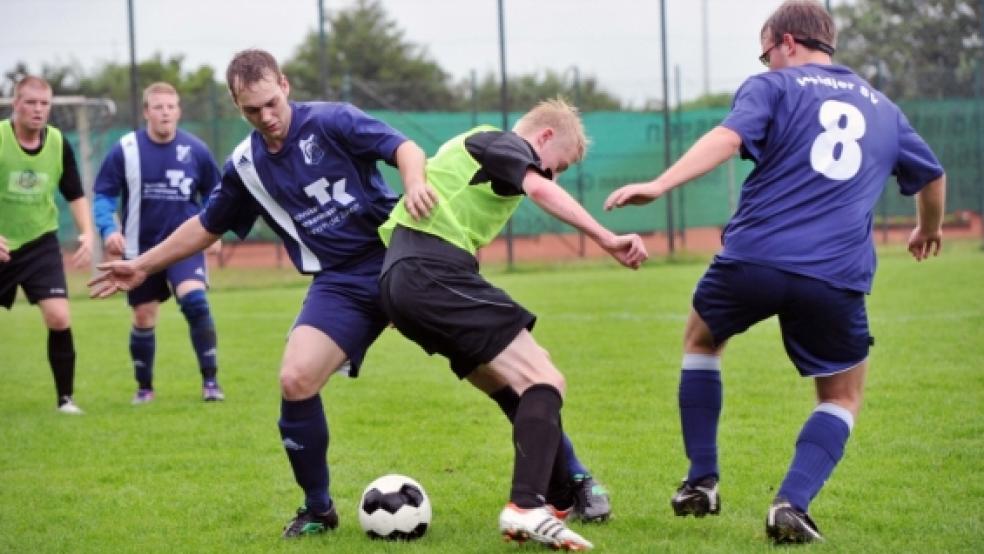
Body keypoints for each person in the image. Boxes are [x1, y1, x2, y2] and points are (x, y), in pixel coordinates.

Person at [88, 50, 609, 539]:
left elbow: (402, 147)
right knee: (296, 378)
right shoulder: (245, 166)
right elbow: (206, 224)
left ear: (285, 86)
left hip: (398, 257)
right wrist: (142, 263)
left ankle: (575, 479)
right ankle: (318, 507)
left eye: (273, 102)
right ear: (236, 105)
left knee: (501, 376)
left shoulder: (331, 120)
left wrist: (413, 183)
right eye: (253, 109)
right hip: (339, 283)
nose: (267, 116)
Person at [604, 0, 946, 544]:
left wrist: (661, 184)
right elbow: (931, 175)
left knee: (701, 339)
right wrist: (928, 229)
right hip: (835, 274)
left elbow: (728, 138)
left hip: (753, 259)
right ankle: (792, 503)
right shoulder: (884, 107)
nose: (765, 64)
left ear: (787, 42)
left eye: (765, 53)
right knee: (840, 396)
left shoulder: (773, 87)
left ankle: (701, 481)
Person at [377, 98, 648, 551]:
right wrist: (607, 238)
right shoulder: (501, 142)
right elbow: (541, 191)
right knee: (545, 377)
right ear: (542, 137)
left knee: (511, 386)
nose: (551, 176)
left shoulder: (472, 159)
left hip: (407, 279)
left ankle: (561, 496)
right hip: (429, 273)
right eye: (553, 164)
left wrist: (402, 302)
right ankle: (526, 506)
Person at [92, 82, 224, 404]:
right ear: (146, 112)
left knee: (195, 302)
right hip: (140, 249)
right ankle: (145, 388)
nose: (165, 112)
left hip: (184, 246)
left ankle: (211, 383)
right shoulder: (125, 149)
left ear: (178, 110)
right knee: (144, 317)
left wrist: (216, 229)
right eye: (158, 107)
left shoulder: (196, 150)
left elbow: (217, 194)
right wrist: (109, 229)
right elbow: (104, 195)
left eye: (171, 106)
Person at [0, 76, 94, 414]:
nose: (38, 110)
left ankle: (65, 399)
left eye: (44, 104)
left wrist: (86, 233)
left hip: (40, 243)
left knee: (58, 316)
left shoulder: (57, 142)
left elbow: (75, 193)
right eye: (31, 102)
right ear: (16, 104)